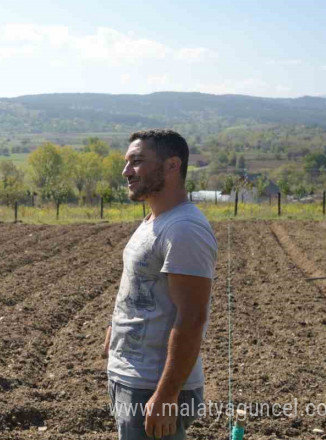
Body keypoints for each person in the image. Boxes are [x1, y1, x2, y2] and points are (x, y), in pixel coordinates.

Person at [103, 129, 216, 440]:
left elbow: (193, 318)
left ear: (172, 165)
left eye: (137, 162)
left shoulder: (184, 229)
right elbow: (145, 286)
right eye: (127, 162)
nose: (126, 171)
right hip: (133, 377)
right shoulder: (155, 220)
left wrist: (166, 396)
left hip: (154, 386)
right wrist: (117, 331)